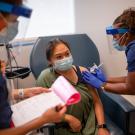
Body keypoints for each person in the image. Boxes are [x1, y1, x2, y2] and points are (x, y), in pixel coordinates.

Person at [0, 0, 66, 134]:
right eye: (15, 20)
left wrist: (24, 92)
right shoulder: (46, 76)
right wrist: (42, 120)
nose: (15, 26)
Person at [36, 38, 110, 135]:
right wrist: (68, 119)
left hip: (91, 124)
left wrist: (102, 127)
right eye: (59, 57)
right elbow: (43, 109)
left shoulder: (83, 72)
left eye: (67, 54)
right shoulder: (45, 78)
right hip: (65, 128)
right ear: (50, 61)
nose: (65, 59)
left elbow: (96, 101)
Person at [82, 8, 135, 95]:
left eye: (115, 36)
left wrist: (101, 84)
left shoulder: (133, 50)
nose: (114, 39)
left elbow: (131, 88)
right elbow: (131, 80)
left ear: (127, 35)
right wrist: (106, 79)